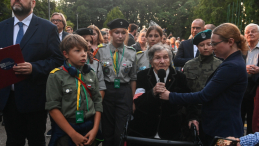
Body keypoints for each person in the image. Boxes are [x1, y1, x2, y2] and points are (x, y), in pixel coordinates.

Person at [160, 23, 248, 145]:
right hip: (220, 126)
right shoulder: (232, 62)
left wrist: (170, 96)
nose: (212, 47)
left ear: (230, 42)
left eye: (214, 43)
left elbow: (204, 96)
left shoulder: (232, 66)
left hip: (224, 130)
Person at [0, 0, 64, 145]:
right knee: (13, 141)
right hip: (9, 99)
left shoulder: (47, 28)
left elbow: (58, 59)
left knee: (36, 141)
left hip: (35, 98)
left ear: (33, 3)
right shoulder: (2, 27)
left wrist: (34, 67)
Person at [128, 44, 197, 146]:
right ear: (151, 62)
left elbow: (189, 100)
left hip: (171, 131)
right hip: (144, 131)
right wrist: (152, 92)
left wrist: (192, 117)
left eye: (165, 57)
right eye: (157, 58)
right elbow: (138, 102)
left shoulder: (179, 77)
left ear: (170, 60)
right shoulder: (142, 76)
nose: (162, 61)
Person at [46, 34, 103, 146]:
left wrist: (95, 129)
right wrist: (73, 134)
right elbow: (53, 108)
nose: (83, 54)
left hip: (89, 128)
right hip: (67, 130)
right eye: (77, 51)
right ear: (65, 54)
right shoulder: (56, 76)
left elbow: (98, 102)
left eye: (85, 51)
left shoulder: (90, 74)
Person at [95, 18, 137, 146]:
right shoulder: (100, 51)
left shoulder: (131, 52)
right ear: (110, 33)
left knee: (121, 130)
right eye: (117, 32)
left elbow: (133, 78)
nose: (120, 36)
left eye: (123, 32)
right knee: (107, 129)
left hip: (124, 92)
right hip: (106, 91)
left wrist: (133, 100)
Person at [183, 29, 222, 143]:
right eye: (201, 45)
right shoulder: (189, 65)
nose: (205, 47)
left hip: (213, 113)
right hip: (192, 112)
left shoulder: (220, 65)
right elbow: (185, 90)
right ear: (197, 47)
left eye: (209, 44)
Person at [74, 28, 106, 99]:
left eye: (90, 42)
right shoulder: (69, 63)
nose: (89, 45)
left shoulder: (96, 63)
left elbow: (101, 88)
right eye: (85, 41)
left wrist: (96, 107)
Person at [243, 23, 259, 134]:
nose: (250, 33)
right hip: (242, 87)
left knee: (253, 119)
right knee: (239, 116)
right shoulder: (240, 49)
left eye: (253, 31)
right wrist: (243, 68)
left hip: (257, 88)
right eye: (247, 32)